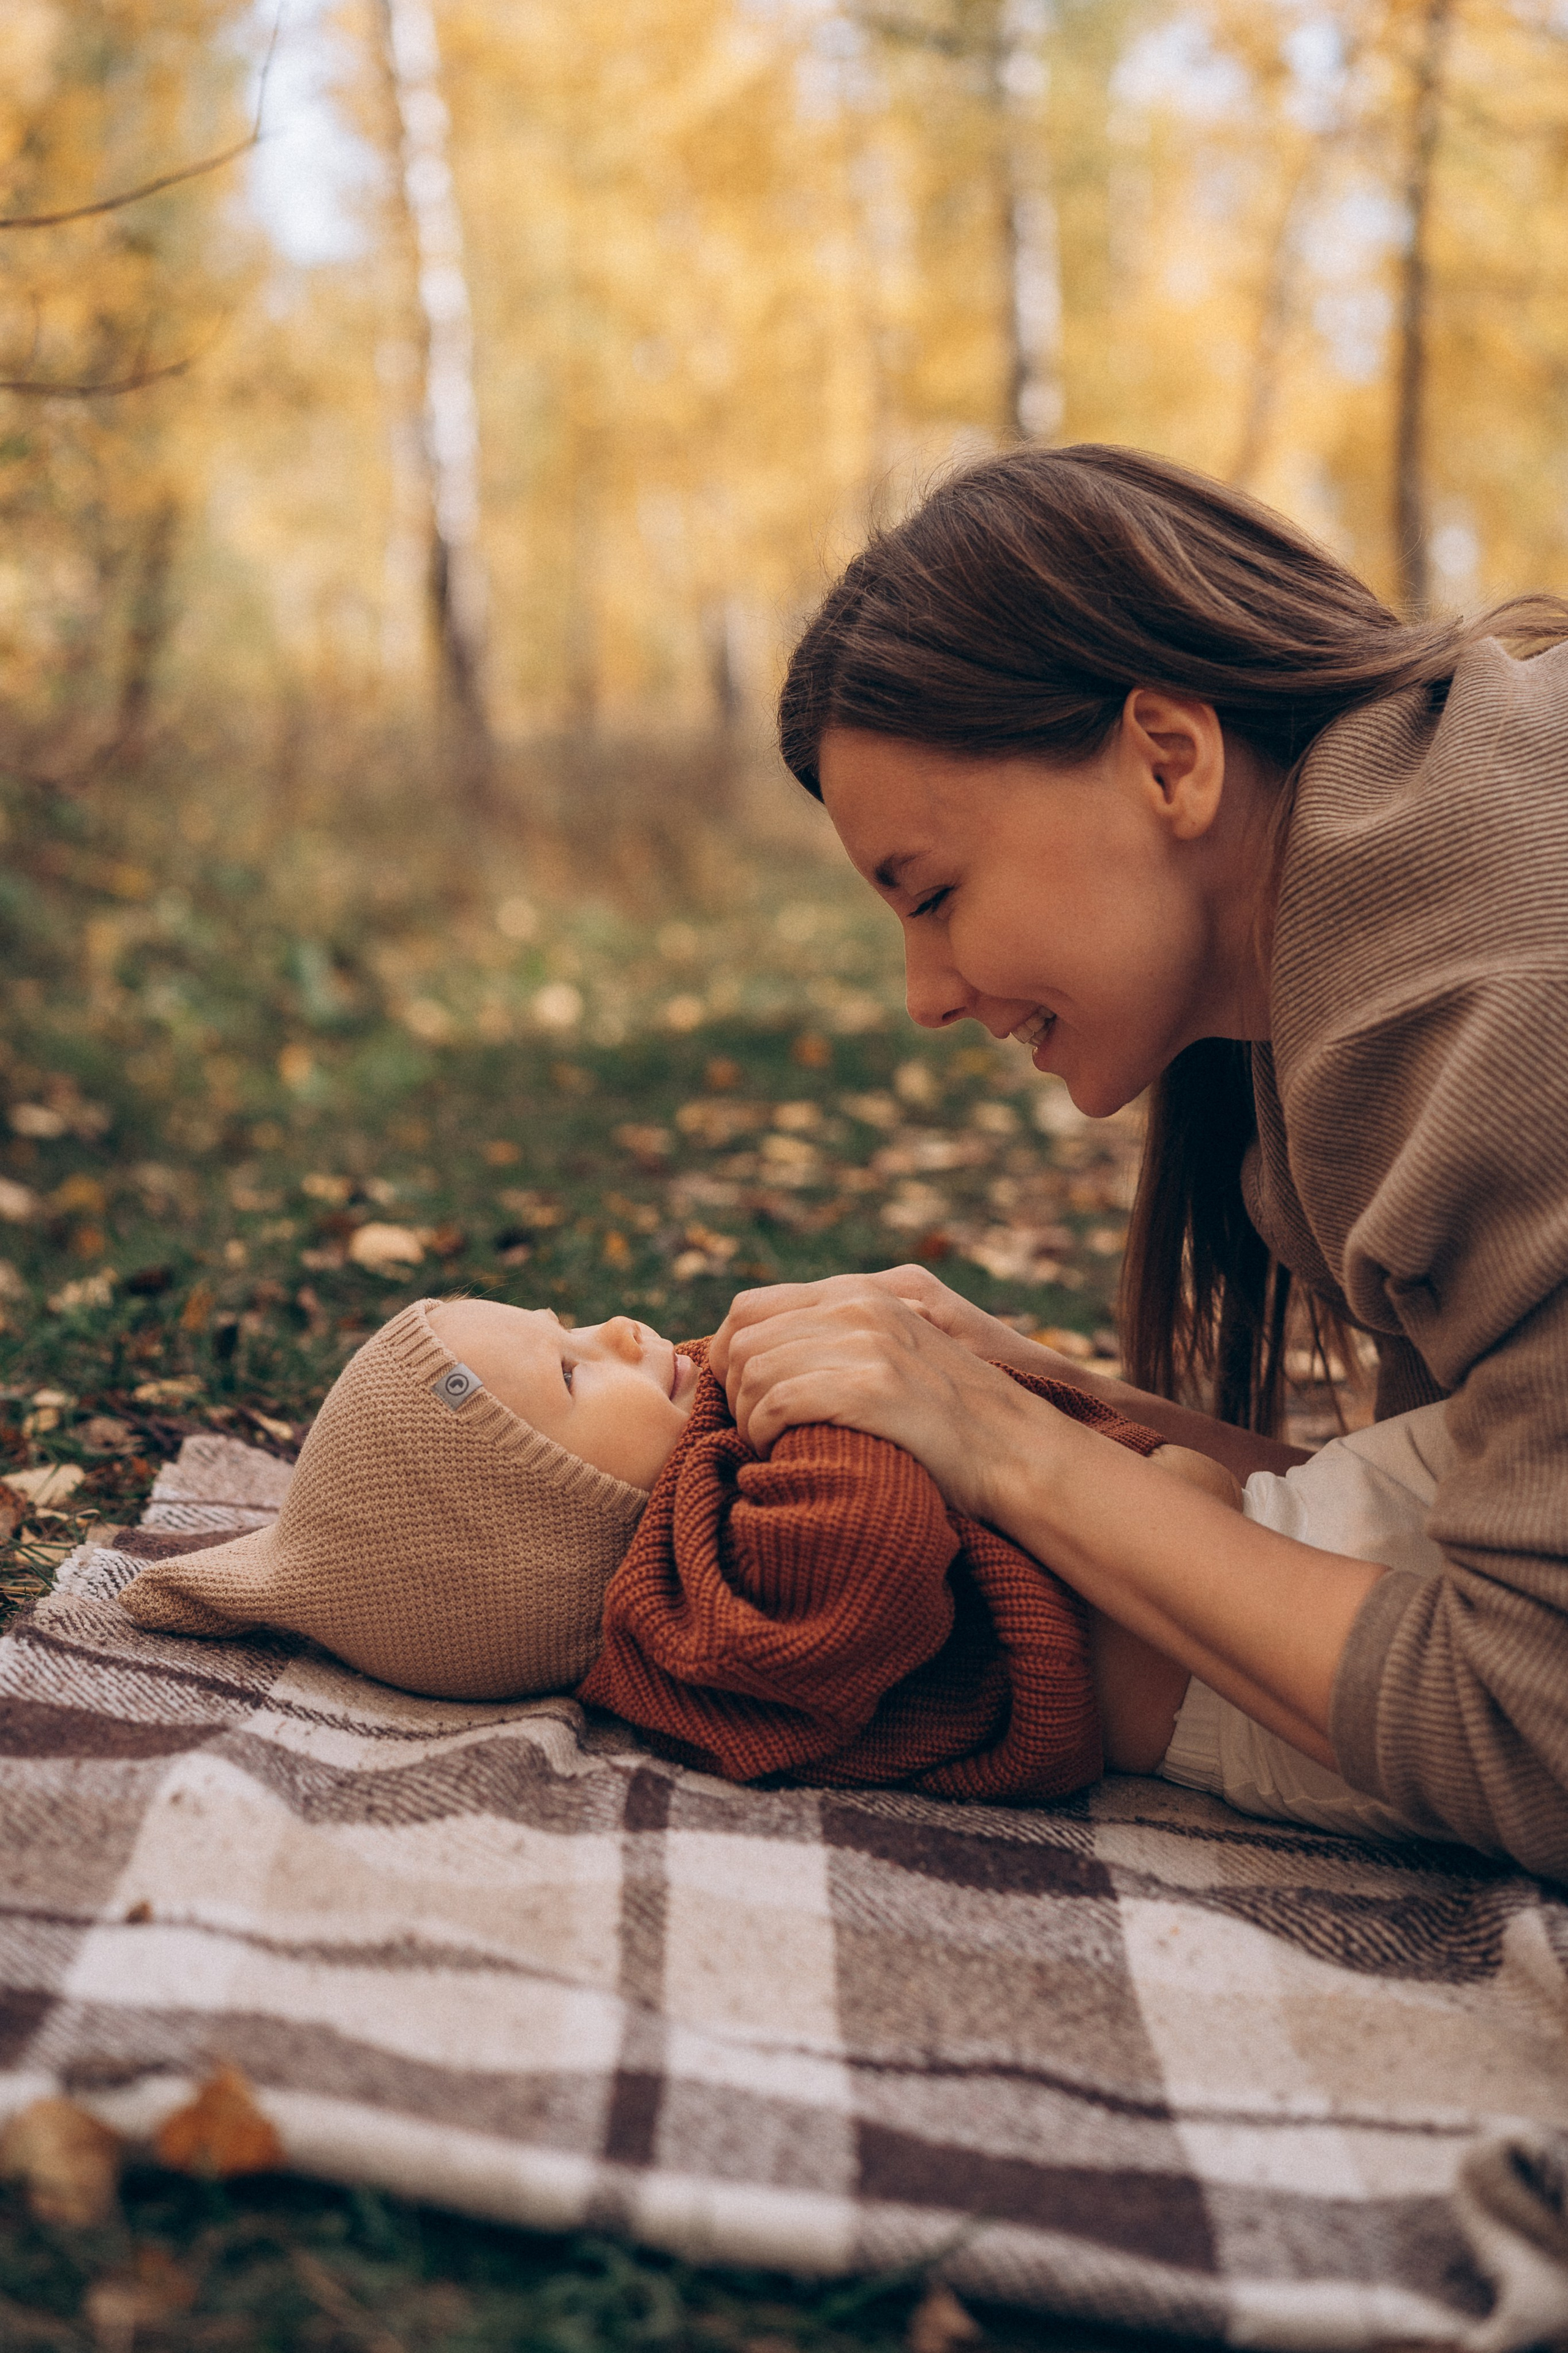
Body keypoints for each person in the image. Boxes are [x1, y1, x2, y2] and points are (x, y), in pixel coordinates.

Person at [706, 440, 1568, 1879]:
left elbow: (1531, 1732)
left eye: (933, 894)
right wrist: (1043, 1398)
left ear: (1167, 757)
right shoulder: (1383, 892)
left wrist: (1003, 1450)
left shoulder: (1488, 995)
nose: (923, 995)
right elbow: (1489, 1525)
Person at [115, 1296, 1237, 1802]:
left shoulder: (697, 1514)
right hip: (1237, 1693)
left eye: (564, 1320)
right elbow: (880, 1550)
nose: (615, 1331)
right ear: (548, 1528)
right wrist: (787, 1403)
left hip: (1220, 1570)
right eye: (571, 1374)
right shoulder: (698, 1612)